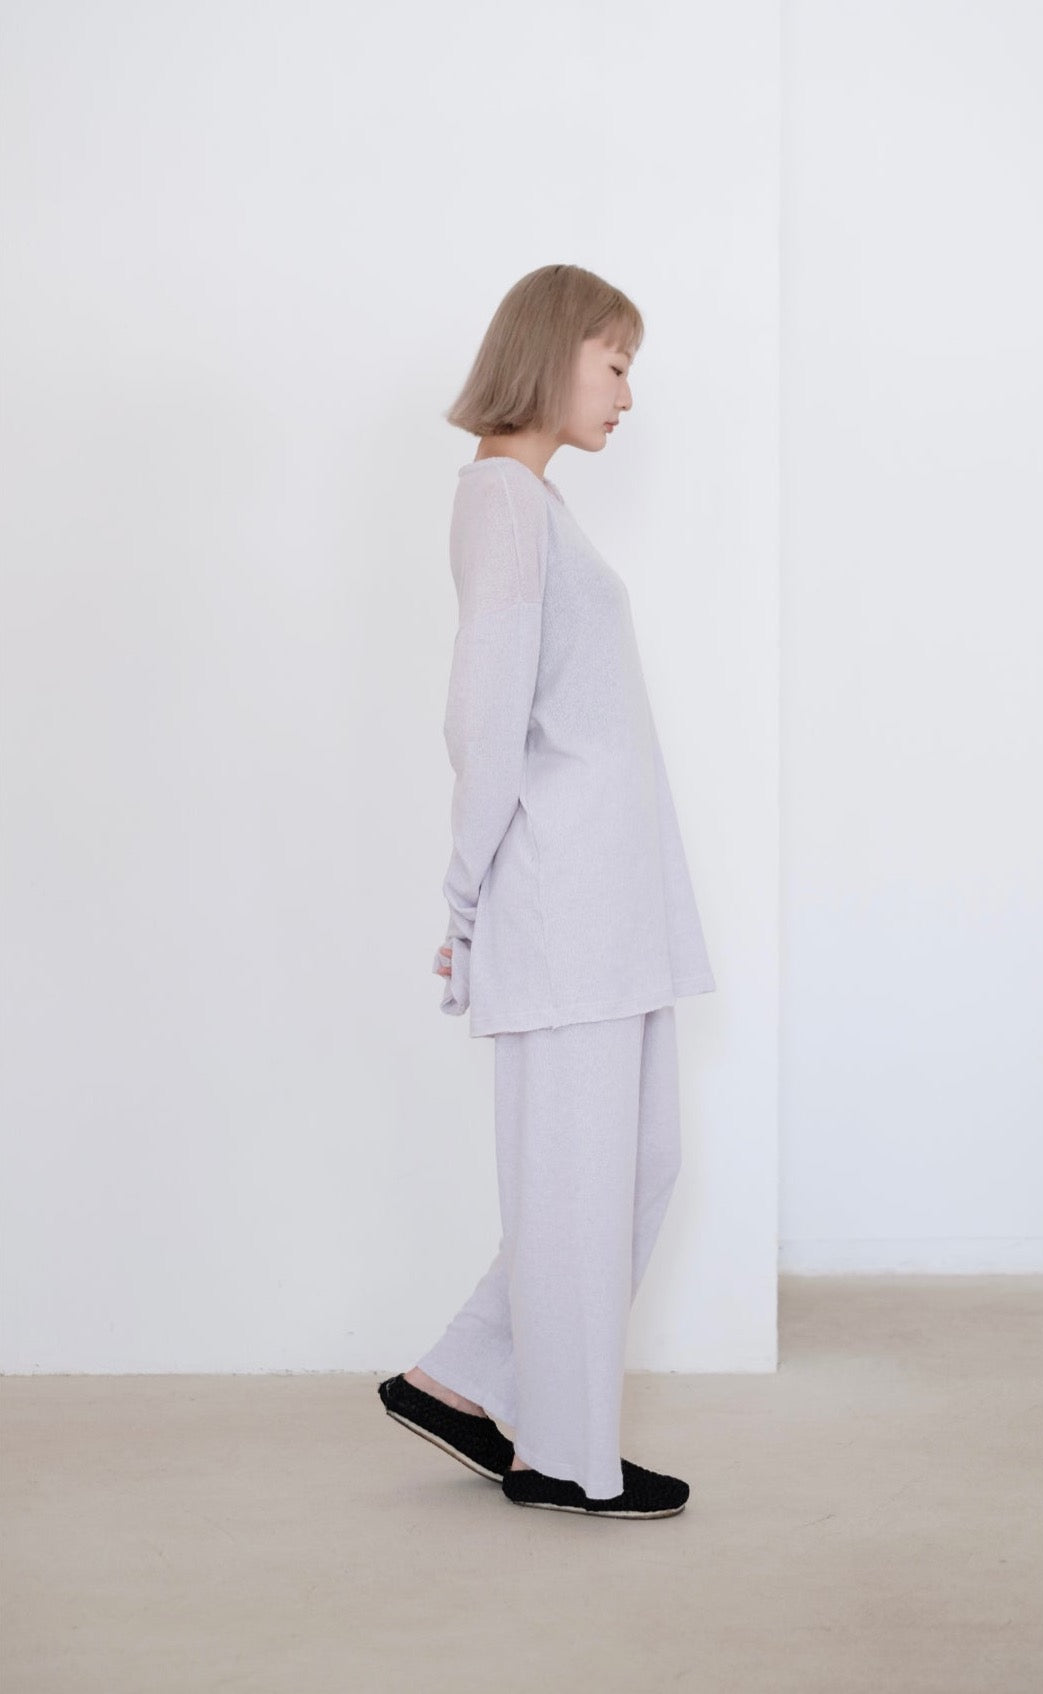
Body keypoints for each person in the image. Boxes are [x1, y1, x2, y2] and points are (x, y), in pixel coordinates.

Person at [377, 264, 717, 1520]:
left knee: (631, 1166)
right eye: (613, 361)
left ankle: (463, 1377)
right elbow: (483, 712)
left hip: (606, 903)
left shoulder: (532, 502)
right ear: (551, 349)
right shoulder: (502, 501)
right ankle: (561, 1455)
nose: (627, 392)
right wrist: (465, 899)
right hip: (561, 901)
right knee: (581, 1181)